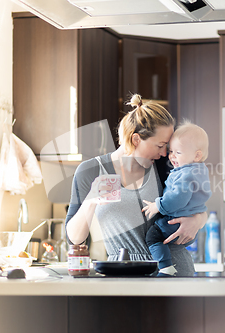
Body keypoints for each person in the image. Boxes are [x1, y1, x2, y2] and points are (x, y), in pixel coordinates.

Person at [65, 94, 207, 276]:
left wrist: (198, 220)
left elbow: (199, 200)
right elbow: (75, 239)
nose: (166, 153)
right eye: (160, 145)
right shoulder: (91, 171)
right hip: (123, 276)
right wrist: (91, 201)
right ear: (136, 140)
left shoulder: (165, 166)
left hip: (174, 273)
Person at [142, 121, 211, 276]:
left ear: (197, 155)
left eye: (177, 153)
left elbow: (177, 199)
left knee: (153, 236)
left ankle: (166, 268)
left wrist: (157, 206)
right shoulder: (199, 171)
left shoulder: (185, 174)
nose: (170, 156)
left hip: (175, 223)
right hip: (184, 225)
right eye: (170, 150)